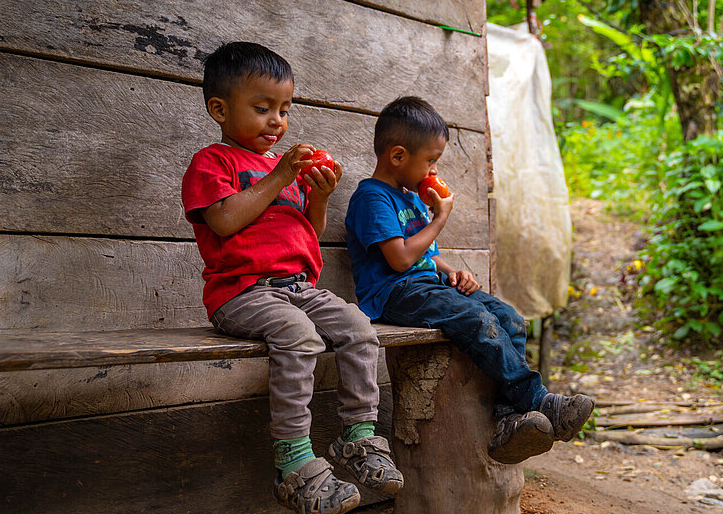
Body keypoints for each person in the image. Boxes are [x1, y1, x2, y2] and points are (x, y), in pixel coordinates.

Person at [181, 42, 401, 514]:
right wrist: (280, 177)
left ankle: (358, 436)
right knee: (299, 336)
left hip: (298, 287)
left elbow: (307, 235)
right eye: (262, 109)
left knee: (359, 328)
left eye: (283, 109)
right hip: (241, 293)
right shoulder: (212, 162)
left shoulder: (285, 171)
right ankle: (293, 461)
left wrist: (317, 197)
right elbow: (223, 221)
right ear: (219, 109)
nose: (277, 121)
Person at [345, 95, 594, 465]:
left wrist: (451, 271)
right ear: (398, 156)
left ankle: (508, 420)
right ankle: (538, 401)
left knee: (509, 317)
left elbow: (423, 254)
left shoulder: (408, 196)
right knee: (477, 319)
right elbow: (399, 260)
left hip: (426, 285)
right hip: (392, 293)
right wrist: (439, 219)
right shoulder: (372, 197)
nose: (433, 169)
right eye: (430, 160)